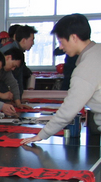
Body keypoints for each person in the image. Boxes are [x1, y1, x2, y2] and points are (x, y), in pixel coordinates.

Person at [22, 14, 101, 145]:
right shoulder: (97, 51)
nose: (61, 47)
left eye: (61, 41)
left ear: (74, 37)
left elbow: (68, 111)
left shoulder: (86, 68)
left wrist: (41, 135)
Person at [0, 25, 38, 96]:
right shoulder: (10, 52)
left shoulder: (17, 51)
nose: (33, 43)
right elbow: (2, 80)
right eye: (32, 40)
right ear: (24, 40)